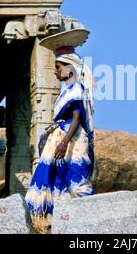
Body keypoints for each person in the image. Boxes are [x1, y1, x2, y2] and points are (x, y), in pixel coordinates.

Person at [25, 46, 95, 219]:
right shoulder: (67, 91)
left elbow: (77, 118)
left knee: (75, 178)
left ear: (70, 68)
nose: (55, 72)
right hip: (61, 137)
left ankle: (89, 218)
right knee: (57, 178)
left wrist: (64, 143)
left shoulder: (77, 89)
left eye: (58, 67)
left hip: (72, 140)